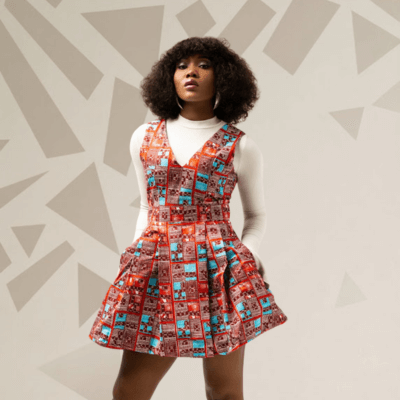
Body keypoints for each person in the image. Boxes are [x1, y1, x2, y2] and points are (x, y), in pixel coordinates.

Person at [89, 37, 287, 400]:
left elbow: (256, 215)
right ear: (169, 77)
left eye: (203, 65)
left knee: (223, 391)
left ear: (224, 78)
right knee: (129, 390)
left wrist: (248, 254)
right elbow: (148, 206)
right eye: (182, 66)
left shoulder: (240, 145)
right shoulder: (144, 138)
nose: (191, 72)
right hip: (157, 265)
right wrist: (135, 254)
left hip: (218, 269)